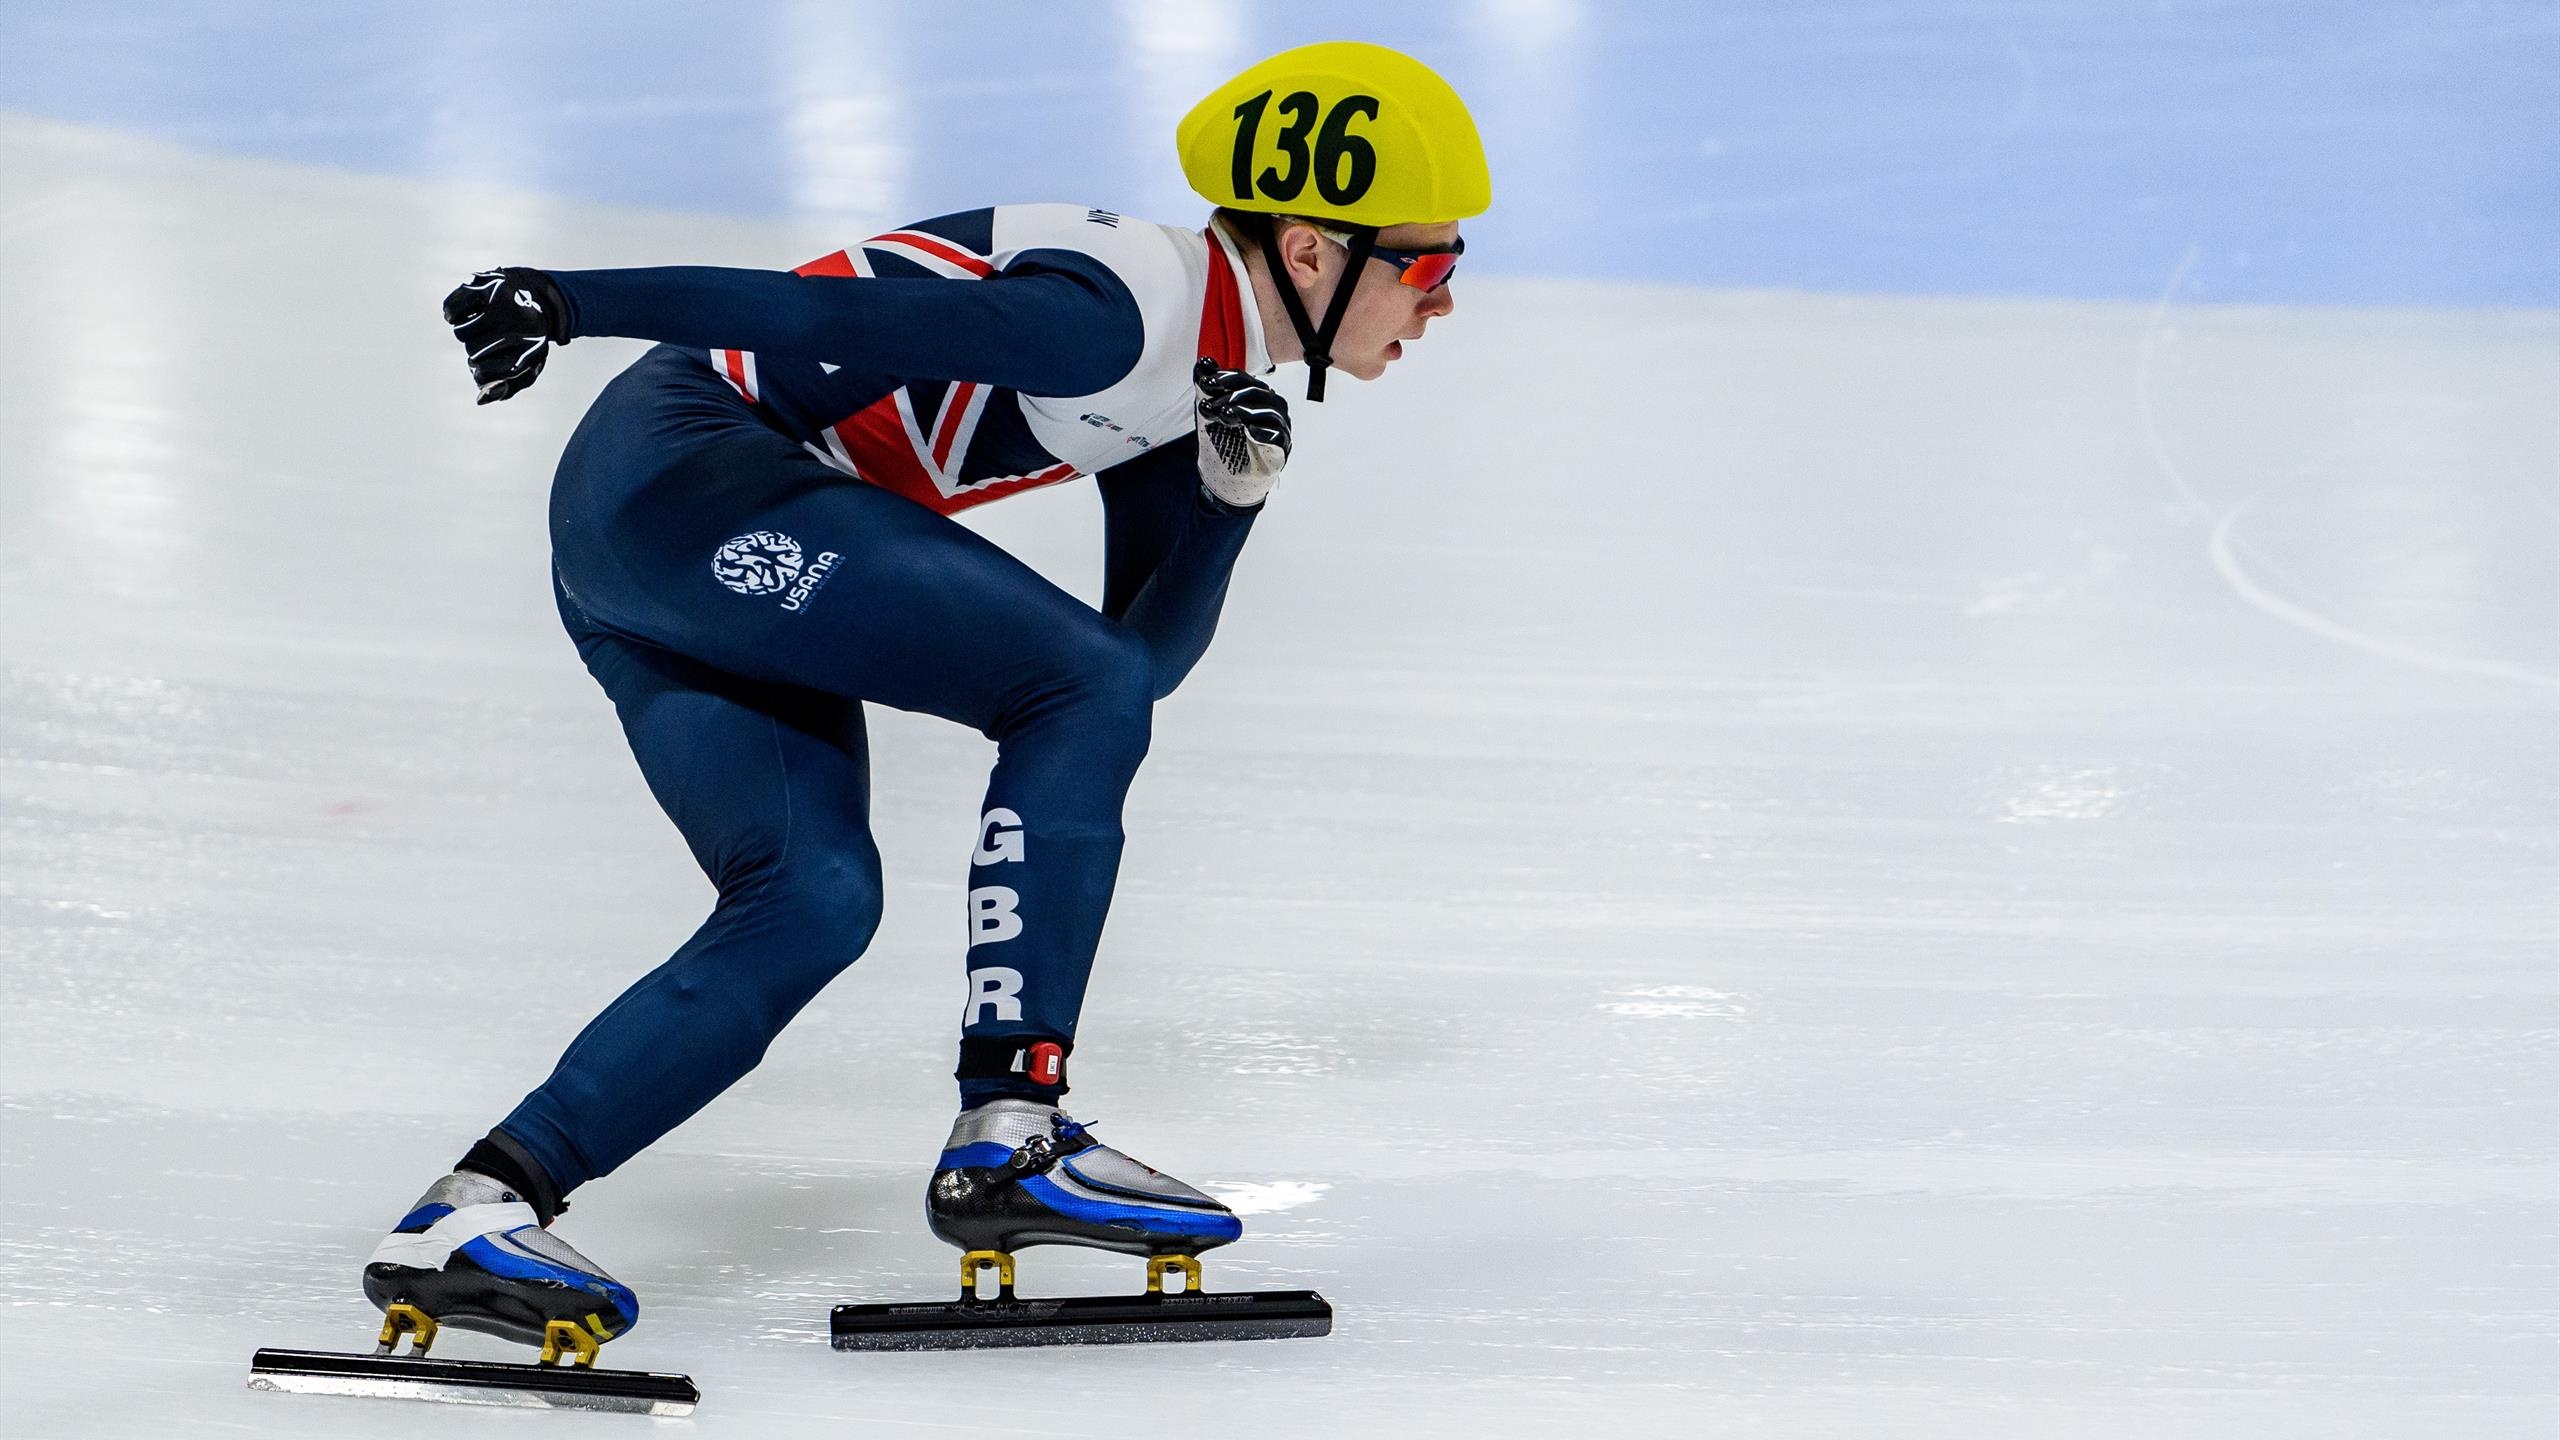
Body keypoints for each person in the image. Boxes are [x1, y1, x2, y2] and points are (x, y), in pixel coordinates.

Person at [362, 40, 1490, 1351]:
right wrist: (566, 296)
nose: (1442, 305)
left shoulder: (1199, 383)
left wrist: (1225, 508)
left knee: (812, 903)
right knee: (1062, 695)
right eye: (1430, 267)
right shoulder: (1118, 315)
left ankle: (473, 1205)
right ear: (1310, 251)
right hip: (690, 472)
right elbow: (822, 317)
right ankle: (1012, 1126)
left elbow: (1135, 674)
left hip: (662, 531)